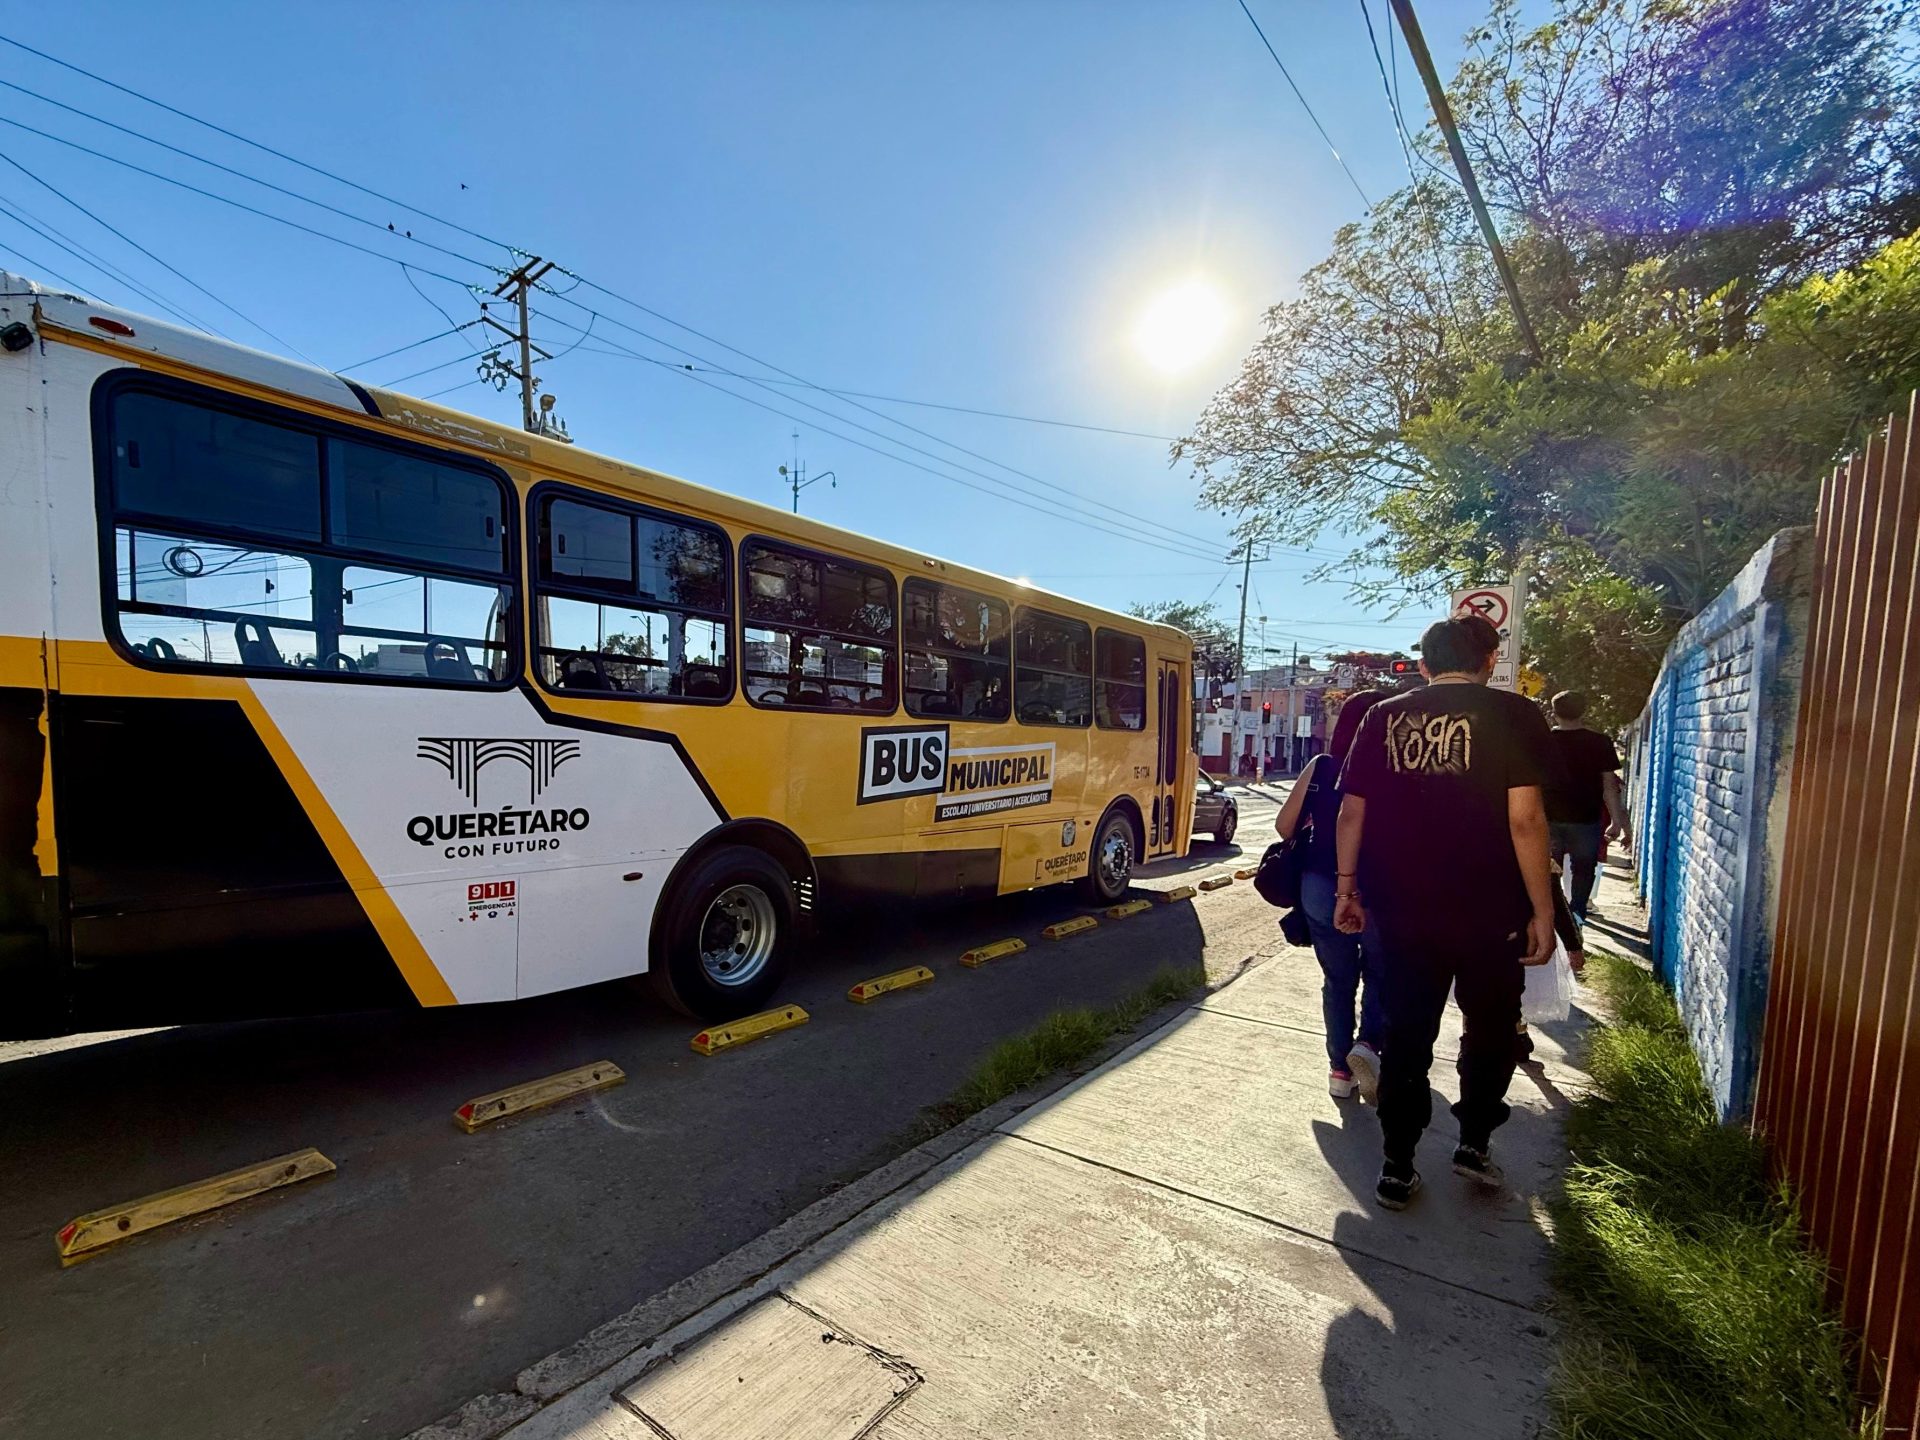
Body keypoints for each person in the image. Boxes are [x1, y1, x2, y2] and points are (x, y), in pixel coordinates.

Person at [1333, 615, 1560, 1210]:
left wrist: (1345, 890)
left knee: (1407, 1036)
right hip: (1493, 912)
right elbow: (1526, 819)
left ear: (1427, 663)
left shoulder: (1382, 717)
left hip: (1403, 910)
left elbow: (1351, 815)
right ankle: (1474, 1143)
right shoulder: (1516, 716)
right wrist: (1544, 909)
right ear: (1489, 660)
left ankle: (1397, 1165)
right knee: (1490, 1031)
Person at [1273, 689, 1389, 1100]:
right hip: (1381, 887)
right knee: (1380, 972)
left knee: (1338, 980)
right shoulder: (1395, 768)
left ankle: (1340, 1071)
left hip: (1321, 885)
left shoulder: (1322, 766)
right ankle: (1369, 1045)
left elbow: (1284, 827)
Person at [1543, 691, 1627, 920]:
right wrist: (1616, 821)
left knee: (1547, 870)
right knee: (1583, 869)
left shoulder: (1543, 741)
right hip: (1586, 818)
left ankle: (1550, 915)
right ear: (1584, 711)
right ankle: (1578, 914)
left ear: (1553, 713)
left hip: (1548, 817)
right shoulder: (1600, 742)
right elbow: (1609, 785)